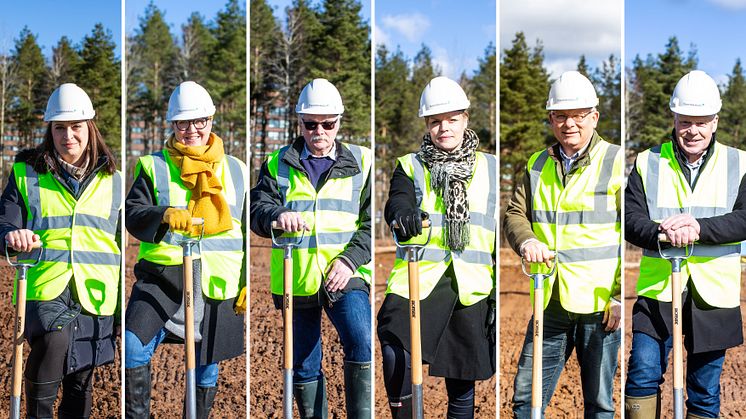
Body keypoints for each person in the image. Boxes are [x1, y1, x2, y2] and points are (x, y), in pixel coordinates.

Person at [625, 70, 746, 419]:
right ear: (674, 119)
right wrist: (664, 232)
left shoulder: (739, 163)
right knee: (642, 377)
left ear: (715, 121)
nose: (692, 130)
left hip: (714, 296)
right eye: (685, 121)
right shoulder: (648, 161)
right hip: (658, 291)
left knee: (704, 391)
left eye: (701, 122)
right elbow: (631, 221)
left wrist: (698, 228)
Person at [250, 78, 372, 418]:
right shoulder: (277, 163)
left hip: (346, 276)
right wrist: (276, 214)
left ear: (338, 122)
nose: (320, 131)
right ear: (300, 123)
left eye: (328, 124)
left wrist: (349, 261)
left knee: (361, 340)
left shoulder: (363, 161)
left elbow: (370, 222)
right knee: (303, 363)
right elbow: (256, 211)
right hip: (296, 278)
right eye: (311, 124)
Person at [124, 81, 247, 418]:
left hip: (218, 284)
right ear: (172, 124)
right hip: (163, 280)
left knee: (207, 368)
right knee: (133, 347)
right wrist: (162, 214)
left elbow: (245, 233)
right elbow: (133, 215)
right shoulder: (154, 166)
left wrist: (246, 279)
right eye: (182, 123)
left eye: (199, 122)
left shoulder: (236, 169)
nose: (191, 130)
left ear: (211, 120)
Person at [504, 70, 623, 418]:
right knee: (527, 399)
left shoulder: (617, 162)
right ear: (551, 118)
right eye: (560, 115)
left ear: (594, 117)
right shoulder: (536, 164)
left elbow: (631, 231)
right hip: (550, 299)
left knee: (599, 404)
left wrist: (617, 296)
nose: (569, 123)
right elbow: (515, 213)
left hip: (600, 305)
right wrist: (526, 240)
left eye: (578, 115)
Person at [379, 76, 497, 419]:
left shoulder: (490, 166)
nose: (443, 127)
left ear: (465, 118)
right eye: (435, 121)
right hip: (420, 279)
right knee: (395, 353)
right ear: (427, 125)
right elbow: (397, 202)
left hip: (471, 285)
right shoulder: (410, 165)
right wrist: (404, 215)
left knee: (462, 382)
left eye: (451, 119)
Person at [0, 83, 121, 418]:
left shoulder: (114, 181)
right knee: (56, 340)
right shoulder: (26, 174)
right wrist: (13, 235)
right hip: (44, 286)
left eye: (76, 127)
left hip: (96, 292)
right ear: (49, 131)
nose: (68, 135)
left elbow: (121, 247)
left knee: (82, 378)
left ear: (89, 128)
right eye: (59, 128)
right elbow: (3, 224)